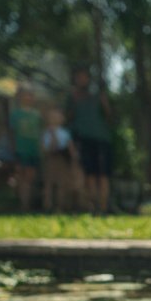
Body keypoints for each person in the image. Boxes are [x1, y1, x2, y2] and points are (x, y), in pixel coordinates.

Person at [66, 65, 113, 214]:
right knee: (89, 174)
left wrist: (105, 104)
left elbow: (109, 116)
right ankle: (93, 207)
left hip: (102, 139)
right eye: (78, 77)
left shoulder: (97, 95)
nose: (81, 79)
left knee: (103, 174)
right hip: (84, 138)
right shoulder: (72, 97)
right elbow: (68, 118)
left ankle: (104, 207)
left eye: (84, 76)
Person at [8, 85, 42, 211]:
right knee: (21, 177)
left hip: (33, 151)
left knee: (30, 179)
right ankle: (22, 204)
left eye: (30, 95)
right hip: (20, 150)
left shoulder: (37, 115)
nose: (28, 97)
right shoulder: (15, 114)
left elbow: (40, 133)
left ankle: (26, 203)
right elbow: (11, 133)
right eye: (25, 94)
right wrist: (13, 149)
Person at [41, 106, 80, 213]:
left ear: (62, 119)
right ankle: (47, 205)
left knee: (61, 184)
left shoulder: (65, 133)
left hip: (62, 159)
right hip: (50, 159)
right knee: (48, 183)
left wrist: (74, 161)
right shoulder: (46, 133)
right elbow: (44, 148)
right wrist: (52, 135)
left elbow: (70, 147)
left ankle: (60, 206)